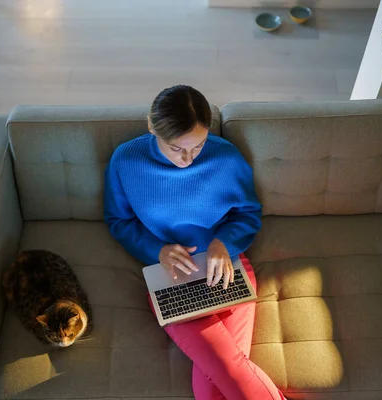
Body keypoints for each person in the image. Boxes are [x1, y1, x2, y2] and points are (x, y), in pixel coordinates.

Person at [104, 85, 286, 400]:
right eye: (177, 148)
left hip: (227, 267)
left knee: (212, 387)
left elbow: (249, 214)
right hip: (171, 278)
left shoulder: (226, 157)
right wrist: (157, 250)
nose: (188, 159)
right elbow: (118, 221)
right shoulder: (125, 161)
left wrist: (223, 243)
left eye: (198, 146)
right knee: (227, 370)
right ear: (151, 126)